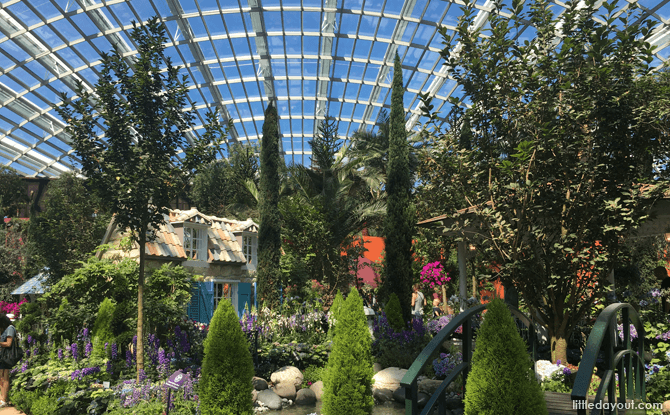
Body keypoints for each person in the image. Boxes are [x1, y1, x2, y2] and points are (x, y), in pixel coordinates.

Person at [0, 314, 15, 408]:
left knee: (5, 377)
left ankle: (4, 400)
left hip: (7, 356)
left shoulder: (10, 328)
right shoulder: (5, 329)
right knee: (1, 377)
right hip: (2, 356)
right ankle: (2, 398)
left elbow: (9, 343)